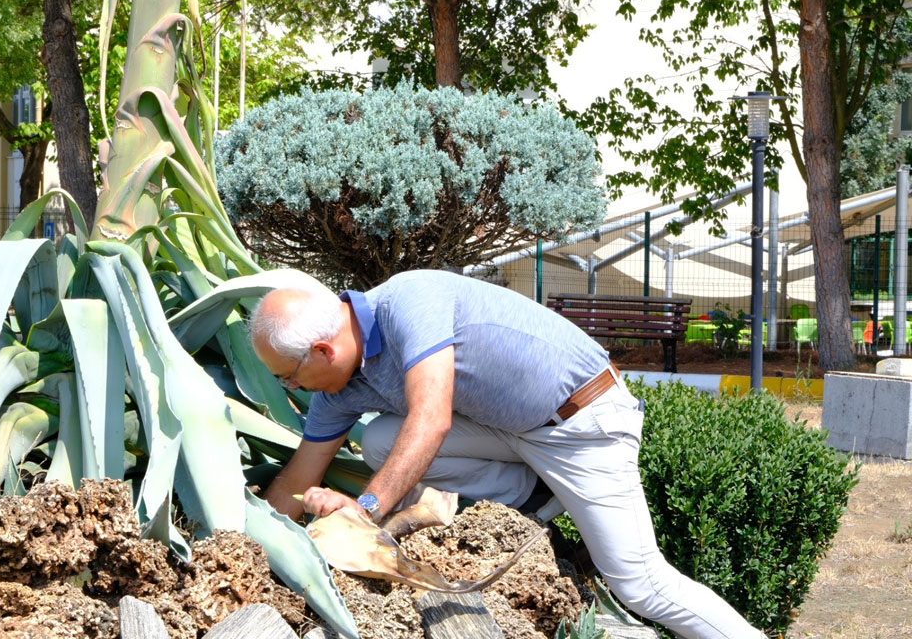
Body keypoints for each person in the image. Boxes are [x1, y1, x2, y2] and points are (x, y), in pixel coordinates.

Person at [249, 270, 765, 639]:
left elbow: (432, 419)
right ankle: (537, 492)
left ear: (323, 351)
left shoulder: (410, 301)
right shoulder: (337, 388)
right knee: (382, 440)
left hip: (583, 425)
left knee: (642, 585)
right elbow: (302, 469)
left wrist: (363, 513)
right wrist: (254, 544)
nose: (292, 386)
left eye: (288, 375)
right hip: (512, 430)